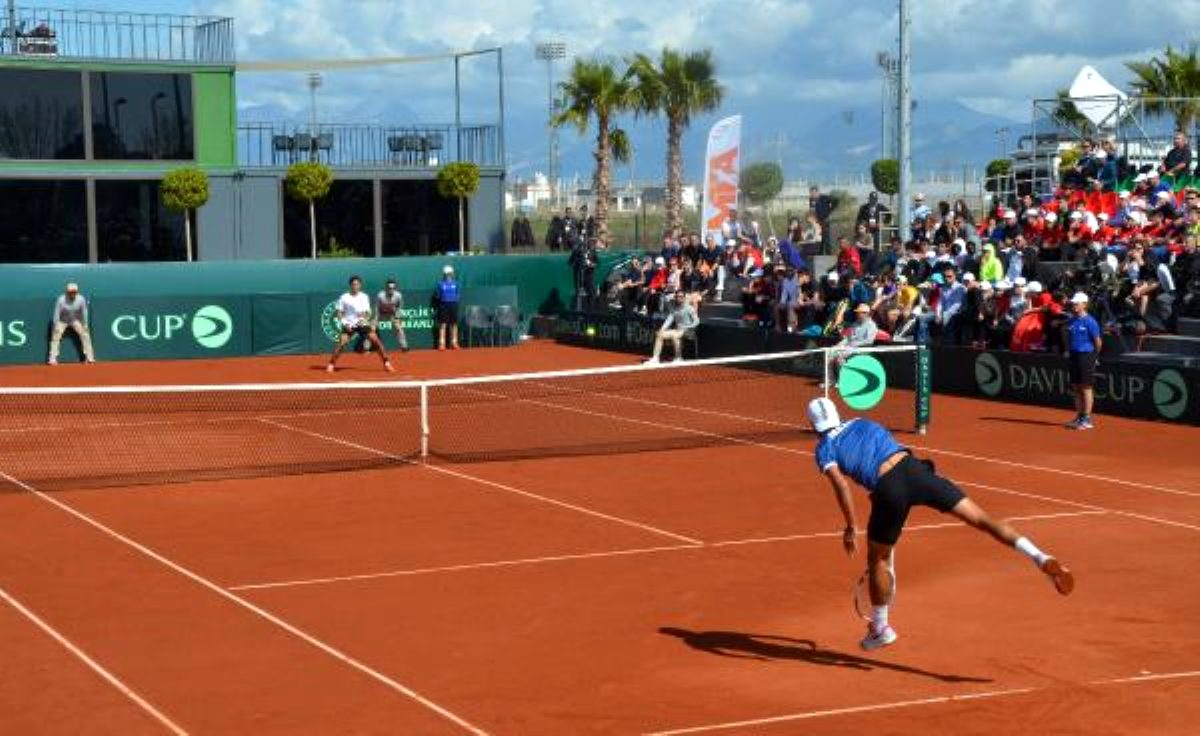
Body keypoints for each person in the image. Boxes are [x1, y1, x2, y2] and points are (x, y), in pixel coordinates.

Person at [806, 397, 1075, 651]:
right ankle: (1040, 556)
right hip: (915, 469)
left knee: (877, 558)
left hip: (888, 490)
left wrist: (851, 526)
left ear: (813, 424)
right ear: (837, 413)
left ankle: (880, 628)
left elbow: (841, 485)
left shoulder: (824, 448)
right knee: (983, 519)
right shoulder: (862, 422)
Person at [327, 276, 393, 374]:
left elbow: (367, 312)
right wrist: (345, 324)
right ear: (350, 285)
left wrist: (364, 319)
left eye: (357, 284)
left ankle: (387, 363)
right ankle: (331, 364)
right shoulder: (344, 297)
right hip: (348, 324)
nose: (355, 286)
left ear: (360, 285)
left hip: (362, 323)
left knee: (375, 339)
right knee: (342, 343)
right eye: (353, 284)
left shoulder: (364, 296)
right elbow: (339, 313)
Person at [1063, 292, 1102, 430]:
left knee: (1086, 387)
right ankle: (1079, 416)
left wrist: (1095, 357)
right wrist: (1067, 349)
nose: (1074, 305)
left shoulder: (1090, 321)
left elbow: (1098, 342)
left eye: (1077, 303)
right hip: (1074, 355)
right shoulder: (1072, 321)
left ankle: (1086, 419)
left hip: (1086, 356)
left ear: (1085, 305)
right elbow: (1067, 335)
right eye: (1073, 303)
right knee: (1076, 387)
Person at [48, 282, 95, 365]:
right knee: (56, 336)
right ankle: (52, 359)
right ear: (67, 292)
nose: (73, 294)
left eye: (74, 292)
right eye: (71, 292)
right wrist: (55, 326)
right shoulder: (61, 300)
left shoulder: (81, 299)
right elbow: (56, 314)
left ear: (77, 292)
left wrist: (85, 324)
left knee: (85, 334)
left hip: (75, 320)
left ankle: (89, 358)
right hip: (62, 321)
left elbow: (84, 312)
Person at [646, 290, 698, 364]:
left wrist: (686, 327)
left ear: (684, 298)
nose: (679, 298)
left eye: (681, 296)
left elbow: (696, 321)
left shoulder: (689, 308)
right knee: (659, 334)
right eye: (677, 297)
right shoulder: (674, 309)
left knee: (675, 335)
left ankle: (678, 358)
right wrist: (662, 329)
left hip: (689, 331)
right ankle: (655, 358)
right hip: (678, 330)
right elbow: (669, 319)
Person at [372, 277, 409, 353]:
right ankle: (366, 348)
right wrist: (375, 317)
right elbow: (376, 306)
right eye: (389, 288)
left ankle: (404, 346)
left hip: (391, 314)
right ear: (386, 288)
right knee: (371, 328)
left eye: (393, 288)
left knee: (399, 328)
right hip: (380, 313)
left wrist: (397, 314)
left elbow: (400, 305)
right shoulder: (380, 295)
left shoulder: (398, 295)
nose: (391, 289)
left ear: (395, 288)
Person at [435, 265, 461, 350]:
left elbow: (458, 294)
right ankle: (442, 343)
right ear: (444, 274)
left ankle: (454, 342)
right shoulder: (440, 284)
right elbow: (438, 296)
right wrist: (443, 300)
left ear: (452, 274)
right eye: (447, 273)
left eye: (450, 273)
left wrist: (454, 300)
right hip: (443, 305)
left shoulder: (456, 283)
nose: (448, 275)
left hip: (453, 305)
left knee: (454, 324)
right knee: (443, 324)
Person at [809, 186, 837, 254]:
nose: (812, 195)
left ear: (817, 192)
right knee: (820, 238)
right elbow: (812, 210)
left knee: (826, 238)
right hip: (817, 221)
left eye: (814, 193)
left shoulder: (824, 197)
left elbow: (836, 200)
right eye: (811, 193)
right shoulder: (811, 200)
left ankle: (829, 254)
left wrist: (830, 210)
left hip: (825, 220)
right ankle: (820, 253)